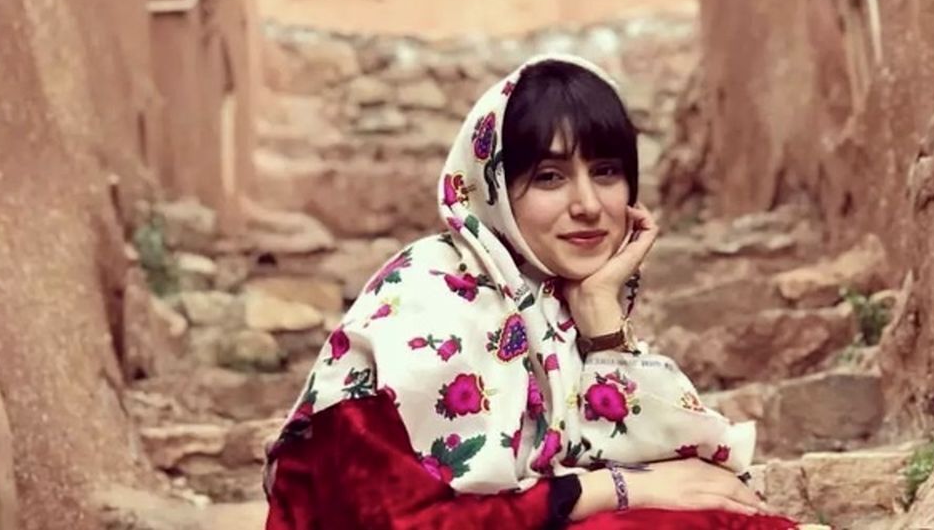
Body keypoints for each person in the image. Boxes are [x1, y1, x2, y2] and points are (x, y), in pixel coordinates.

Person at [263, 55, 813, 529]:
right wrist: (610, 488)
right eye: (550, 176)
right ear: (495, 189)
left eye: (606, 172)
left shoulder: (555, 308)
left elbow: (690, 470)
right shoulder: (426, 296)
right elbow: (392, 520)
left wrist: (601, 318)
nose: (588, 205)